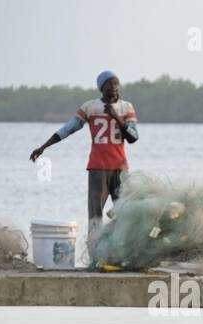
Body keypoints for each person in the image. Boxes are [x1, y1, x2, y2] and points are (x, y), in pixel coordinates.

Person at [29, 70, 139, 247]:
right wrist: (43, 147)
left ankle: (121, 251)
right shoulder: (90, 107)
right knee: (95, 214)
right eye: (110, 84)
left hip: (120, 168)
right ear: (101, 88)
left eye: (117, 84)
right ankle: (95, 254)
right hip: (97, 168)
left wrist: (116, 117)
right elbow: (68, 129)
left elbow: (133, 137)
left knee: (123, 212)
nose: (115, 87)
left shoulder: (126, 108)